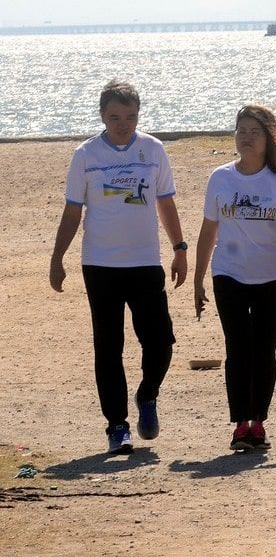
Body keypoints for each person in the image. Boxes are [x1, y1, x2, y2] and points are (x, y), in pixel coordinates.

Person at [50, 80, 186, 455]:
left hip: (145, 262)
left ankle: (147, 395)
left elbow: (166, 203)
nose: (122, 124)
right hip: (101, 264)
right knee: (109, 347)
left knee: (159, 341)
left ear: (138, 116)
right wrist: (57, 258)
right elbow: (73, 211)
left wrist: (179, 248)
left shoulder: (153, 149)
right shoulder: (86, 155)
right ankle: (117, 426)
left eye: (129, 117)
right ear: (102, 116)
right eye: (114, 117)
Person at [193, 105, 276, 451]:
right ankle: (240, 423)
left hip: (272, 275)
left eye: (254, 131)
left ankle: (259, 421)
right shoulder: (220, 178)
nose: (246, 137)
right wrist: (199, 278)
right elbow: (208, 230)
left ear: (269, 138)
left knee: (264, 350)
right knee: (238, 348)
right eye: (241, 130)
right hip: (228, 273)